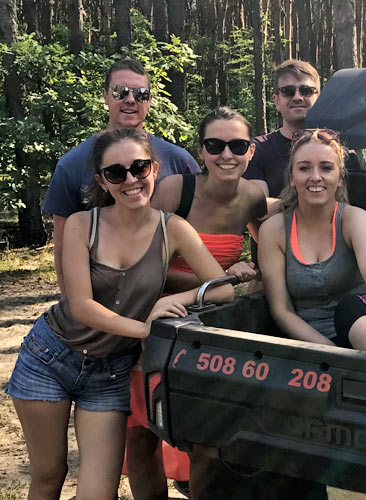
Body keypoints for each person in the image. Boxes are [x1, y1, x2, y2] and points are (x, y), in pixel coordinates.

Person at [6, 128, 233, 500]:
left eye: (139, 167)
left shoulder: (173, 228)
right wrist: (146, 329)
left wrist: (175, 300)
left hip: (109, 371)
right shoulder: (83, 224)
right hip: (50, 357)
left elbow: (222, 288)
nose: (131, 179)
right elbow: (82, 305)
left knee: (98, 493)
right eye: (116, 172)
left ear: (154, 169)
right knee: (49, 475)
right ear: (102, 180)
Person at [122, 107, 267, 499]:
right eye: (215, 145)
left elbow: (271, 248)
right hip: (157, 320)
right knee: (142, 434)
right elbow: (142, 267)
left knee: (209, 440)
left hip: (217, 330)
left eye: (237, 145)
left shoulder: (255, 195)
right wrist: (215, 282)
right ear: (200, 151)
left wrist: (251, 267)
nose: (227, 155)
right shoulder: (174, 191)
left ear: (251, 150)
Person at [43, 59, 200, 295]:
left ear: (150, 100)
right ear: (105, 96)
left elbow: (204, 230)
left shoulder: (180, 161)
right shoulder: (71, 165)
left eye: (141, 93)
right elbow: (63, 248)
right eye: (120, 91)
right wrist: (73, 309)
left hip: (173, 304)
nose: (130, 99)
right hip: (101, 304)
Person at [259, 128, 366, 357]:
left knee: (356, 318)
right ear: (292, 177)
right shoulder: (274, 230)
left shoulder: (354, 219)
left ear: (339, 177)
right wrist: (331, 353)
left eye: (326, 168)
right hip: (312, 343)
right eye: (305, 168)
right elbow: (281, 310)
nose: (315, 177)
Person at [244, 59, 320, 208]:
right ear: (276, 100)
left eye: (306, 90)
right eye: (288, 91)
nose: (297, 97)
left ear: (318, 97)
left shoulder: (337, 147)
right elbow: (258, 208)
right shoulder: (256, 150)